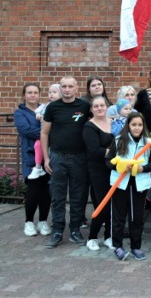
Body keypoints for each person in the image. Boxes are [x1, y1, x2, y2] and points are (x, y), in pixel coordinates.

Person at [41, 76, 90, 248]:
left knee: (78, 196)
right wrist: (46, 158)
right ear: (60, 88)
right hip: (58, 157)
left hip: (79, 158)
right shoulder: (52, 107)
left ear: (76, 88)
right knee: (58, 196)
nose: (67, 89)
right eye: (64, 86)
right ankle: (57, 231)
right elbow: (44, 133)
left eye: (70, 86)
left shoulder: (85, 106)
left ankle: (75, 230)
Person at [106, 112, 151, 261]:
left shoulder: (149, 142)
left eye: (140, 125)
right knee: (119, 216)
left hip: (139, 184)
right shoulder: (117, 140)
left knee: (137, 217)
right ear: (128, 125)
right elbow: (108, 161)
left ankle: (136, 247)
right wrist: (120, 167)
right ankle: (117, 246)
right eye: (134, 124)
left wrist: (143, 169)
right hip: (120, 184)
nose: (137, 128)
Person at [15, 83, 51, 237]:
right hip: (31, 157)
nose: (32, 95)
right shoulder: (20, 113)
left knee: (46, 191)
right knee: (33, 191)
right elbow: (26, 130)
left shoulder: (45, 110)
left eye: (35, 92)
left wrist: (47, 132)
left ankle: (43, 221)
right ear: (24, 95)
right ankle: (29, 222)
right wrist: (46, 133)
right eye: (29, 92)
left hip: (47, 156)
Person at [82, 97, 114, 251]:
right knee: (102, 204)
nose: (100, 108)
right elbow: (94, 150)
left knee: (114, 204)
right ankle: (92, 237)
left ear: (107, 107)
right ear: (92, 109)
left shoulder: (113, 122)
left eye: (102, 105)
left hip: (114, 169)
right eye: (96, 106)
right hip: (97, 170)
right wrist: (114, 152)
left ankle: (108, 236)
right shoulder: (89, 126)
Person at [29, 84, 62, 180]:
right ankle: (38, 166)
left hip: (55, 135)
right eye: (50, 92)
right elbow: (37, 111)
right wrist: (38, 114)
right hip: (44, 134)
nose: (51, 94)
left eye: (54, 92)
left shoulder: (61, 106)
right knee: (37, 145)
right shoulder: (45, 106)